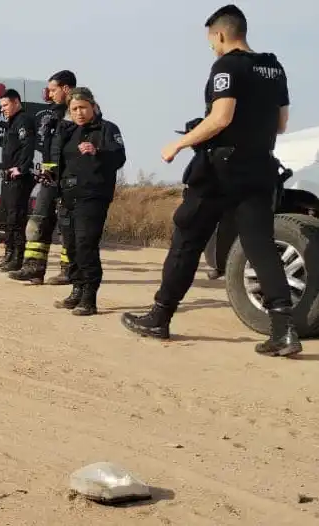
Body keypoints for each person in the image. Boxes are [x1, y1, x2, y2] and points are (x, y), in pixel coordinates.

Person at [122, 5, 300, 356]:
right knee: (260, 245)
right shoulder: (274, 68)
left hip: (220, 170)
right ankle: (284, 331)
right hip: (260, 167)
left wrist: (179, 143)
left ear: (220, 34)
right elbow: (280, 124)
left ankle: (159, 317)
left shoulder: (227, 65)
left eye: (211, 41)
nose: (212, 48)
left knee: (187, 239)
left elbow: (221, 118)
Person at [49, 88, 125, 315]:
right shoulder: (69, 131)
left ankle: (89, 298)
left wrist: (98, 151)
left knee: (85, 245)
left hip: (93, 197)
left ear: (93, 106)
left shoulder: (107, 129)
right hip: (68, 196)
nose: (79, 113)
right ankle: (77, 290)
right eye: (74, 109)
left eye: (83, 107)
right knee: (70, 246)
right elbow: (60, 161)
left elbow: (119, 157)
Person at [7, 70, 77, 285]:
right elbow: (50, 149)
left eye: (53, 90)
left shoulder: (79, 112)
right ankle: (34, 268)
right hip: (50, 176)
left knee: (68, 226)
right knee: (36, 222)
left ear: (66, 89)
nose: (50, 94)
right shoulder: (53, 115)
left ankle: (69, 271)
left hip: (70, 178)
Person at [0, 89, 36, 272]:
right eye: (1, 106)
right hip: (8, 178)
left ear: (16, 102)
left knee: (16, 219)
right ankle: (8, 255)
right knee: (7, 219)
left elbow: (28, 146)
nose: (3, 109)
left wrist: (22, 168)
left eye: (5, 105)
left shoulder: (23, 120)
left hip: (19, 178)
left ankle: (17, 258)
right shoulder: (11, 122)